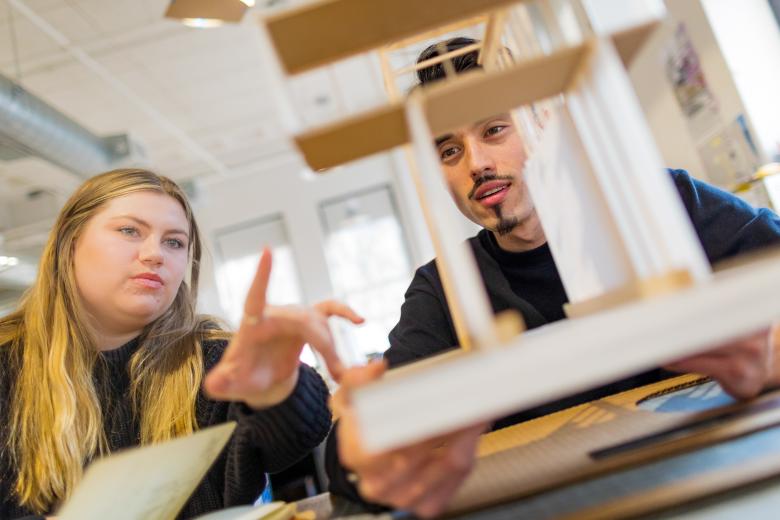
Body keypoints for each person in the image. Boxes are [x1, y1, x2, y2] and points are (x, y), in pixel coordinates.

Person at [325, 37, 780, 518]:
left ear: (541, 124)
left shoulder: (658, 204)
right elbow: (354, 460)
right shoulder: (444, 290)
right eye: (450, 151)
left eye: (495, 130)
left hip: (714, 478)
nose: (476, 164)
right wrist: (365, 447)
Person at [0, 168, 362, 519]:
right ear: (70, 242)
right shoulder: (8, 365)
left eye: (174, 242)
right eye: (130, 231)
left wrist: (280, 388)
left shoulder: (211, 359)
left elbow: (295, 437)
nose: (155, 254)